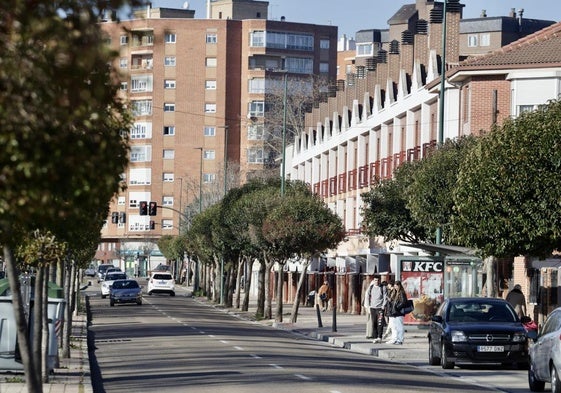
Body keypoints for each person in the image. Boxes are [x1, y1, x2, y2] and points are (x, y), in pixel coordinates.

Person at [364, 276, 387, 343]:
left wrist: (383, 306)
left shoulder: (383, 288)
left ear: (379, 280)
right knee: (374, 322)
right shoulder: (371, 287)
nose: (376, 282)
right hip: (373, 308)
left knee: (380, 322)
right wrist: (368, 306)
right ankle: (375, 336)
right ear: (373, 281)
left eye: (377, 280)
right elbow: (367, 296)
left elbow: (385, 297)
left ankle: (379, 336)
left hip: (380, 308)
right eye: (375, 280)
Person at [387, 280, 407, 345]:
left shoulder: (401, 293)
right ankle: (395, 338)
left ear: (399, 286)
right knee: (394, 326)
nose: (395, 287)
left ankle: (400, 339)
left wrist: (397, 307)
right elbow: (393, 301)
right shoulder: (394, 292)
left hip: (399, 312)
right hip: (394, 312)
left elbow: (403, 302)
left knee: (399, 326)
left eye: (396, 286)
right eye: (395, 286)